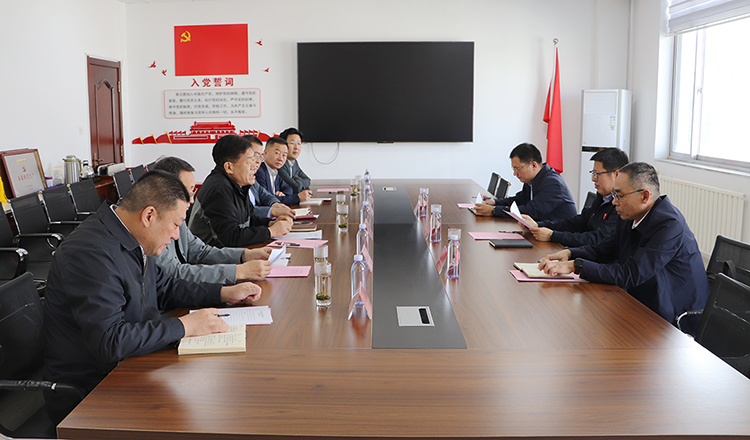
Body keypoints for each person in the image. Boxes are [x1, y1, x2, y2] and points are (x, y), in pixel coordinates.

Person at [43, 171, 263, 423]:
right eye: (176, 225)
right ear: (149, 216)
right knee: (200, 417)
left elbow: (165, 287)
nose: (176, 236)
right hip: (91, 393)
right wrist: (185, 326)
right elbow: (109, 341)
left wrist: (223, 293)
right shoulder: (91, 253)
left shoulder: (130, 236)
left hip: (134, 364)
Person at [539, 162, 710, 323]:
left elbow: (631, 274)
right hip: (644, 299)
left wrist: (576, 266)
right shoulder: (630, 214)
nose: (614, 202)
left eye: (619, 195)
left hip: (674, 316)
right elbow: (604, 250)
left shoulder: (669, 225)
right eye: (614, 195)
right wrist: (569, 253)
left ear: (644, 196)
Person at [152, 156, 274, 284]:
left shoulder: (180, 219)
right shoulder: (151, 227)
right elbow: (175, 273)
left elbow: (201, 252)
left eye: (192, 192)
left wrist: (245, 255)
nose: (192, 200)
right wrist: (238, 271)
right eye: (187, 193)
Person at [189, 135, 293, 247]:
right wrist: (270, 232)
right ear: (229, 167)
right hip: (212, 255)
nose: (255, 166)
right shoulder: (219, 189)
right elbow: (231, 237)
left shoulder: (237, 184)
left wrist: (270, 223)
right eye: (250, 160)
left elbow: (249, 219)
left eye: (256, 159)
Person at [521, 147, 629, 247]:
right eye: (593, 174)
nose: (593, 179)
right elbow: (576, 223)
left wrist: (552, 236)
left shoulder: (622, 206)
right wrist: (538, 225)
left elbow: (597, 239)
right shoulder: (602, 198)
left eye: (597, 174)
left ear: (616, 174)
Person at [474, 143, 576, 221]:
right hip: (540, 230)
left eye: (517, 168)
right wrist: (495, 202)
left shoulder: (553, 183)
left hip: (557, 236)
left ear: (534, 165)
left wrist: (494, 211)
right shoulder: (533, 179)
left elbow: (531, 211)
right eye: (514, 169)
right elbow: (520, 199)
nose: (515, 173)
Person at [242, 135, 295, 219]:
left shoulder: (276, 171)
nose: (257, 162)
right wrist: (272, 211)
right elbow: (243, 211)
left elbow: (264, 194)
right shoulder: (259, 172)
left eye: (260, 157)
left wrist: (276, 204)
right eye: (255, 156)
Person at [255, 137, 313, 206]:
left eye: (284, 155)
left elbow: (289, 189)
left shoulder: (276, 171)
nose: (280, 158)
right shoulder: (259, 172)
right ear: (265, 153)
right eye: (277, 153)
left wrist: (283, 194)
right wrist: (298, 198)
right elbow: (265, 200)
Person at [278, 127, 311, 193]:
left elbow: (307, 180)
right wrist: (298, 181)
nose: (296, 147)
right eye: (292, 143)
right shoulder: (280, 163)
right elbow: (296, 187)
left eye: (299, 143)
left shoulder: (294, 162)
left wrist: (296, 179)